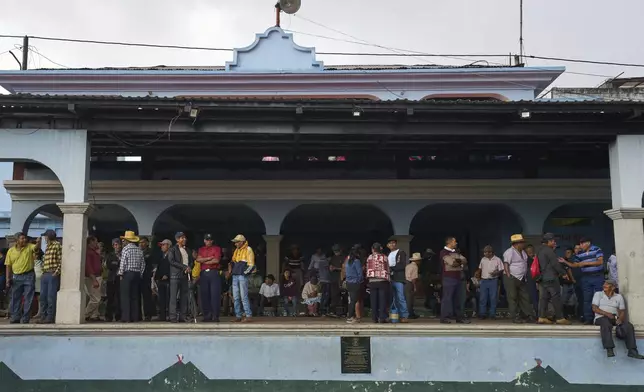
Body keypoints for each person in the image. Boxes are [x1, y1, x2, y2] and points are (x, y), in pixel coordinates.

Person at [592, 280, 643, 359]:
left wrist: (620, 319)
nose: (604, 285)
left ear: (613, 287)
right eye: (604, 284)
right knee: (605, 323)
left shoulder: (619, 297)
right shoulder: (598, 294)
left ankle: (632, 351)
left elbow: (622, 311)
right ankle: (609, 348)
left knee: (628, 326)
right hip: (601, 318)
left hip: (614, 317)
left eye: (607, 284)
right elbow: (594, 308)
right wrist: (607, 314)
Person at [566, 237, 605, 325]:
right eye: (580, 244)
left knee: (600, 297)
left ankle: (601, 318)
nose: (580, 246)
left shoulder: (596, 249)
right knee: (586, 299)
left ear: (588, 243)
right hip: (586, 277)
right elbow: (575, 265)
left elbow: (600, 262)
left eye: (582, 243)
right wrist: (565, 262)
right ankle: (588, 319)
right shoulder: (580, 254)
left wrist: (585, 263)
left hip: (597, 276)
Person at [536, 233, 571, 325]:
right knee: (556, 297)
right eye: (553, 241)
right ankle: (559, 318)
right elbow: (555, 264)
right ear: (549, 241)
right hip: (551, 277)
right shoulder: (549, 250)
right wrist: (563, 273)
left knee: (544, 298)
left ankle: (542, 317)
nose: (554, 242)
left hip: (543, 277)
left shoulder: (539, 250)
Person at [5, 233, 40, 324]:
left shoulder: (29, 247)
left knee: (29, 298)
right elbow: (8, 265)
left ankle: (25, 318)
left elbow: (35, 248)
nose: (24, 240)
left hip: (29, 275)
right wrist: (8, 279)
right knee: (15, 298)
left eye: (25, 238)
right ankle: (15, 317)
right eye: (22, 238)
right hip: (16, 277)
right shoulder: (11, 251)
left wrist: (38, 243)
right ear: (17, 240)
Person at [502, 234, 535, 324]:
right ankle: (515, 316)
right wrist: (509, 275)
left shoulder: (523, 252)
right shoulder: (509, 252)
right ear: (516, 243)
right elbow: (506, 264)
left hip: (521, 278)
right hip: (512, 277)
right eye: (522, 242)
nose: (523, 244)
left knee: (525, 297)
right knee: (513, 297)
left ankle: (528, 315)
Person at [440, 237, 470, 324]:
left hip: (458, 278)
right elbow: (452, 263)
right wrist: (459, 262)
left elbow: (465, 260)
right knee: (447, 298)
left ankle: (459, 317)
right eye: (454, 242)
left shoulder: (455, 252)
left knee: (459, 298)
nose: (456, 243)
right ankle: (445, 317)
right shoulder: (443, 252)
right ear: (449, 243)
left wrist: (458, 261)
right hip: (448, 278)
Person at [118, 231, 146, 323]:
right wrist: (140, 273)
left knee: (126, 296)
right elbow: (143, 264)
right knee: (135, 296)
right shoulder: (139, 250)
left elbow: (123, 263)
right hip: (137, 274)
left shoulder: (126, 249)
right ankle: (135, 317)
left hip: (128, 274)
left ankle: (126, 317)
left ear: (127, 240)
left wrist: (121, 273)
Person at [167, 232, 193, 323]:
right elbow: (172, 261)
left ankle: (183, 316)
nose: (184, 239)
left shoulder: (188, 250)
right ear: (177, 239)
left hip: (185, 275)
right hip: (175, 275)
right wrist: (184, 267)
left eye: (184, 238)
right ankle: (173, 317)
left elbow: (191, 261)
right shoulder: (172, 249)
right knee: (173, 297)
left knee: (184, 296)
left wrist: (189, 267)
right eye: (182, 238)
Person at [196, 234, 222, 322]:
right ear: (204, 240)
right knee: (204, 295)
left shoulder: (217, 248)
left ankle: (215, 316)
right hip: (203, 273)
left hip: (213, 272)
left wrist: (204, 260)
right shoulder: (201, 249)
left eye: (210, 240)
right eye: (207, 240)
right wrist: (209, 258)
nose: (208, 241)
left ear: (212, 241)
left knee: (215, 295)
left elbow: (216, 260)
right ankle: (207, 315)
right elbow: (198, 260)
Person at [229, 234, 255, 322]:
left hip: (242, 276)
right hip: (235, 275)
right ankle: (238, 315)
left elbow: (251, 264)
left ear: (241, 242)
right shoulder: (237, 250)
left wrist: (245, 273)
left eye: (237, 242)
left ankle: (248, 315)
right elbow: (233, 261)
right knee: (236, 296)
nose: (235, 244)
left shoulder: (248, 249)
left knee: (244, 296)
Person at [38, 230, 61, 324]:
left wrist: (56, 272)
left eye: (46, 236)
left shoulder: (57, 245)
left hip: (52, 273)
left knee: (51, 297)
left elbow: (61, 259)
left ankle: (50, 317)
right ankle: (43, 316)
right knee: (43, 296)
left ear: (49, 236)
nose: (45, 238)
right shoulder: (47, 247)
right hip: (45, 273)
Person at [366, 242, 390, 324]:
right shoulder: (385, 257)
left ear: (373, 249)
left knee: (373, 300)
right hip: (382, 281)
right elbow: (388, 269)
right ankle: (382, 318)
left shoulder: (369, 257)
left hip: (372, 281)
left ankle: (374, 318)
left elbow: (367, 268)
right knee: (382, 300)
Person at [387, 238, 410, 323]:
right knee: (392, 298)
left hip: (399, 278)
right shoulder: (388, 254)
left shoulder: (401, 252)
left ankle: (404, 315)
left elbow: (402, 265)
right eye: (390, 243)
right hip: (391, 278)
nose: (392, 245)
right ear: (387, 245)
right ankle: (394, 315)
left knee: (401, 297)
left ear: (396, 244)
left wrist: (391, 269)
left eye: (393, 243)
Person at [478, 245, 503, 320]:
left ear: (492, 252)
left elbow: (501, 269)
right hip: (484, 280)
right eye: (485, 252)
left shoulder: (497, 259)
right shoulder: (483, 259)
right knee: (483, 298)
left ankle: (492, 314)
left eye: (487, 252)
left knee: (493, 298)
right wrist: (477, 275)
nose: (486, 254)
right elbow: (480, 268)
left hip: (493, 280)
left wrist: (496, 273)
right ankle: (482, 314)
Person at [309, 247, 332, 316]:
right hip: (326, 281)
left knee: (323, 296)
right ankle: (323, 310)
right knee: (326, 295)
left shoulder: (321, 262)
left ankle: (322, 310)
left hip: (322, 280)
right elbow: (330, 269)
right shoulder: (325, 262)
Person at [85, 236, 103, 322]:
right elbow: (88, 267)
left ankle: (93, 315)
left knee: (95, 296)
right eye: (96, 241)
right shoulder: (89, 253)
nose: (97, 243)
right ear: (91, 242)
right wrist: (94, 279)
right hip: (93, 277)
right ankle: (85, 314)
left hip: (97, 276)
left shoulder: (94, 252)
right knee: (96, 299)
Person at [345, 246, 364, 324]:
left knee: (351, 300)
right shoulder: (356, 261)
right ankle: (350, 317)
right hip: (355, 283)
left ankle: (350, 316)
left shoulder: (348, 261)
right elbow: (360, 273)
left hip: (348, 283)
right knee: (354, 300)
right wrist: (360, 281)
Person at [139, 237, 156, 322]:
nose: (141, 244)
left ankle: (148, 315)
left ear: (147, 243)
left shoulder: (150, 252)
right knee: (137, 297)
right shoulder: (138, 251)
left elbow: (149, 261)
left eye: (143, 242)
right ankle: (138, 315)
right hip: (138, 277)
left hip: (146, 276)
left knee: (147, 297)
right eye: (140, 242)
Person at [104, 239, 122, 322]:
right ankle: (108, 316)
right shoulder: (110, 255)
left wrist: (116, 263)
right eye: (115, 245)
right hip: (111, 278)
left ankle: (119, 316)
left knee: (119, 298)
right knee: (110, 297)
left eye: (118, 244)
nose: (117, 246)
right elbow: (109, 265)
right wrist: (117, 263)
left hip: (120, 279)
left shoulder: (123, 254)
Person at [154, 239, 172, 322]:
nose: (162, 247)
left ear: (168, 245)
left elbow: (172, 267)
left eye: (163, 245)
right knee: (161, 299)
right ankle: (162, 316)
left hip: (169, 280)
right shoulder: (161, 255)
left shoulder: (172, 255)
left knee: (168, 298)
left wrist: (167, 275)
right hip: (160, 280)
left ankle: (169, 315)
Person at [328, 244, 344, 317]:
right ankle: (333, 312)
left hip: (341, 279)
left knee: (342, 295)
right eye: (334, 251)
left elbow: (345, 269)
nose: (336, 252)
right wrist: (331, 268)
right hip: (333, 278)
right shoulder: (333, 258)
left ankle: (341, 312)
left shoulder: (344, 257)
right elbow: (330, 266)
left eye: (337, 251)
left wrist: (336, 268)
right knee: (333, 295)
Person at [405, 253, 422, 320]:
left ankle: (409, 313)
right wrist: (415, 287)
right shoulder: (415, 267)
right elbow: (414, 278)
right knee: (410, 300)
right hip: (410, 283)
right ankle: (410, 314)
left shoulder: (408, 266)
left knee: (407, 299)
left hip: (405, 282)